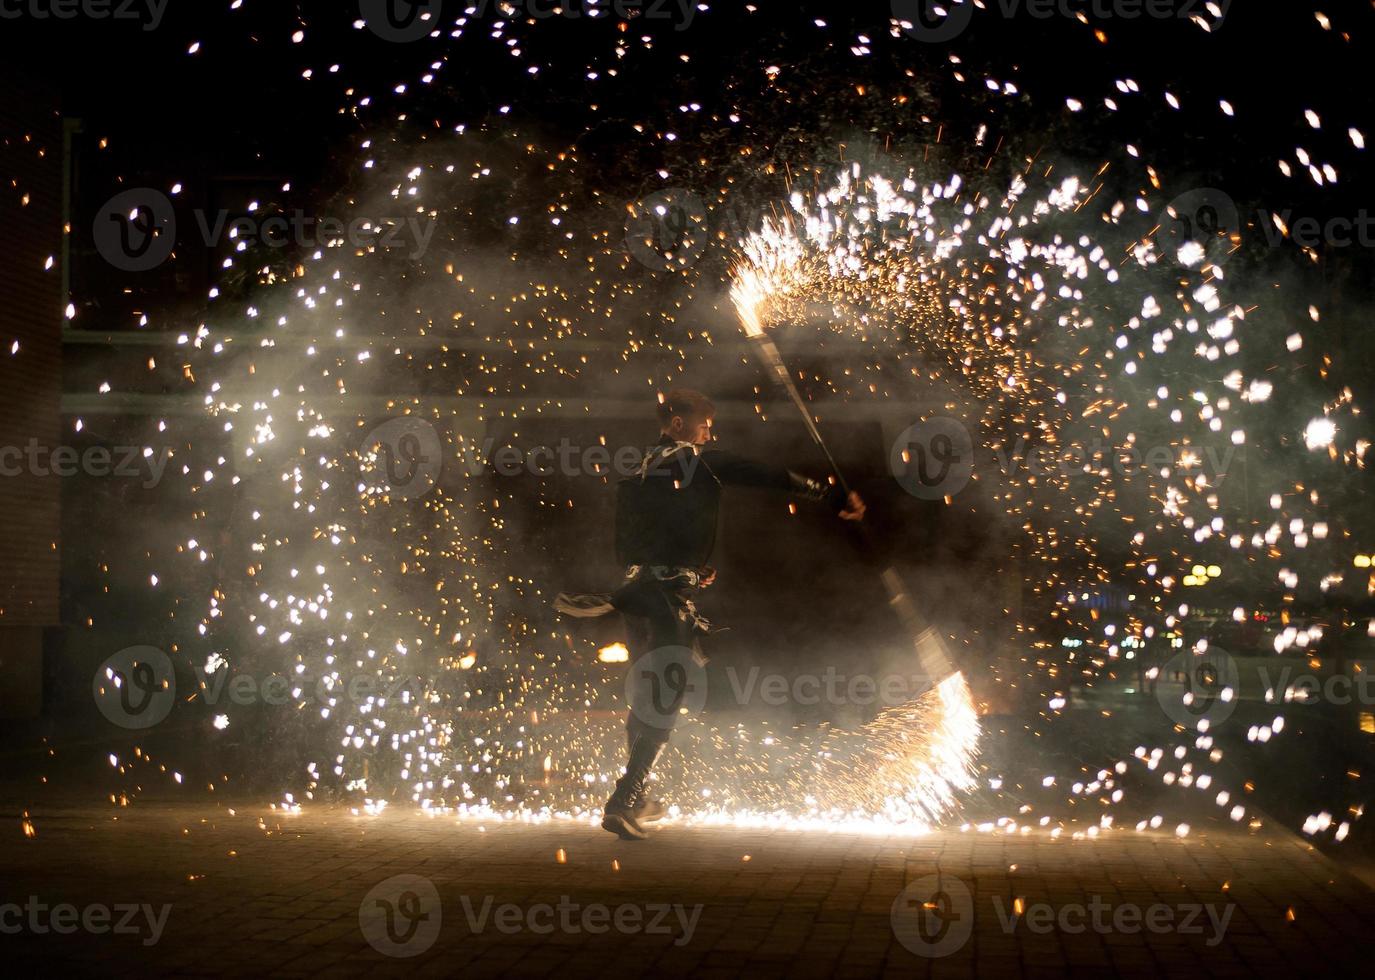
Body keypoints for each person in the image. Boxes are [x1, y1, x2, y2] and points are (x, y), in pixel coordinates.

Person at [556, 389, 865, 839]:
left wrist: (689, 575)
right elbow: (763, 474)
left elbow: (641, 544)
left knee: (651, 691)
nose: (708, 434)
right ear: (678, 424)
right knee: (669, 689)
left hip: (638, 593)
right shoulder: (694, 462)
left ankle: (635, 797)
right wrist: (830, 494)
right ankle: (625, 797)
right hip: (661, 599)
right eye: (703, 425)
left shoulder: (637, 469)